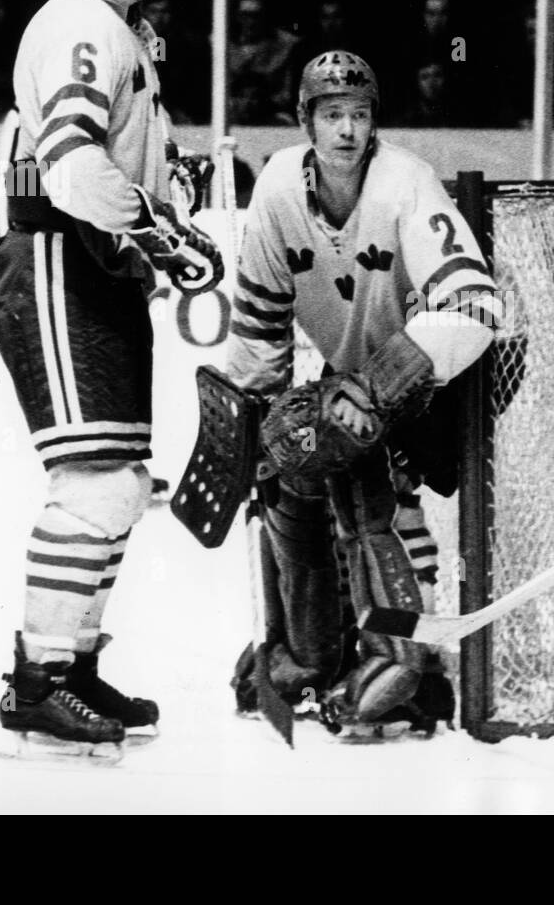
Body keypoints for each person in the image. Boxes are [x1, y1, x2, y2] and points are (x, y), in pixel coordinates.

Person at [0, 0, 224, 760]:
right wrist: (158, 231)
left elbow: (114, 164)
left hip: (94, 265)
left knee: (119, 483)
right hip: (56, 259)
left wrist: (164, 206)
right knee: (92, 483)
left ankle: (71, 665)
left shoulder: (125, 36)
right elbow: (74, 166)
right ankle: (39, 682)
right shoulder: (81, 26)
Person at [225, 50, 499, 739]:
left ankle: (415, 660)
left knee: (376, 484)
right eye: (331, 115)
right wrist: (253, 422)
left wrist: (377, 390)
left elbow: (473, 307)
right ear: (305, 123)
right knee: (291, 474)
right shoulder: (279, 189)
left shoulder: (405, 183)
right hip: (357, 378)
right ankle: (314, 653)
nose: (346, 130)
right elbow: (259, 316)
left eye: (359, 115)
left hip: (446, 375)